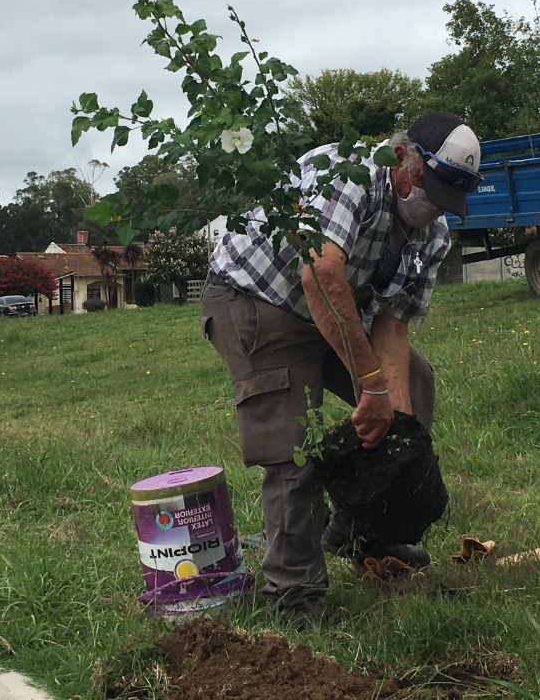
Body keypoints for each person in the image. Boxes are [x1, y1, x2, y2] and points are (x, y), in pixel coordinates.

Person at [201, 113, 482, 619]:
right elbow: (320, 273)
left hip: (329, 306)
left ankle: (367, 535)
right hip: (257, 297)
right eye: (428, 185)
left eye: (445, 196)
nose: (433, 205)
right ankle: (294, 594)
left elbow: (391, 327)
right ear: (402, 157)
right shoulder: (346, 171)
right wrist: (369, 386)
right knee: (294, 444)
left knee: (412, 389)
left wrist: (390, 423)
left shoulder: (431, 236)